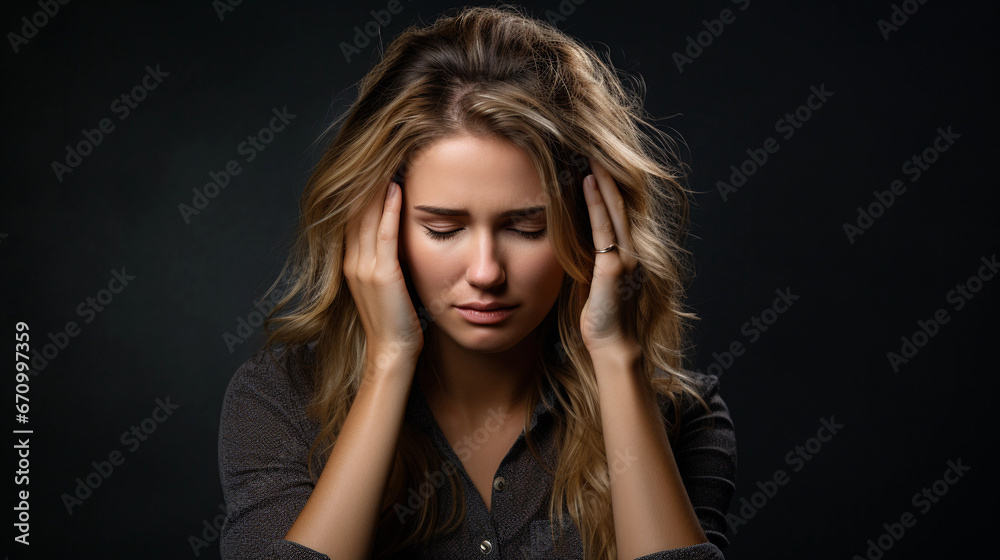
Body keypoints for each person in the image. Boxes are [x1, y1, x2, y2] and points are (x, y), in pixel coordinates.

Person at [217, 5, 736, 559]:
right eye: (443, 229)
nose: (486, 272)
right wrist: (389, 362)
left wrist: (617, 360)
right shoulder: (279, 402)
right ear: (376, 228)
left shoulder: (686, 417)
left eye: (527, 226)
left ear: (590, 229)